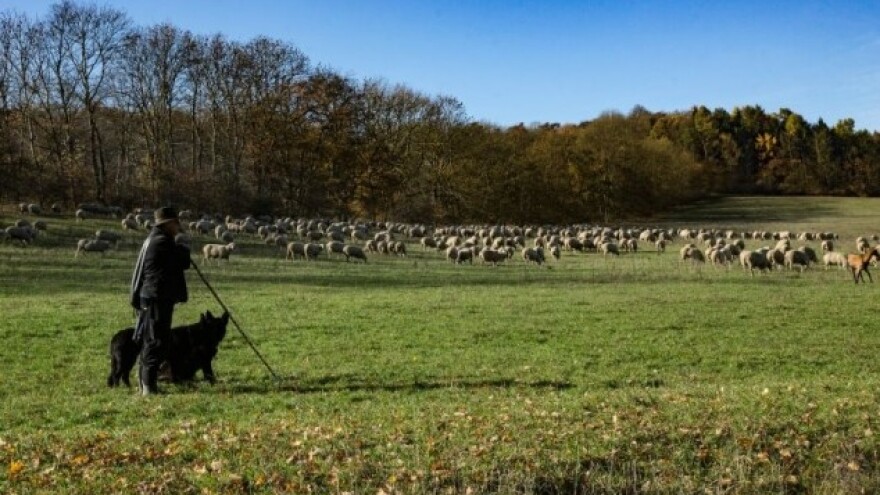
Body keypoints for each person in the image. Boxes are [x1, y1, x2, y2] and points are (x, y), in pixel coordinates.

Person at [129, 207, 192, 395]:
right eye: (176, 223)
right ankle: (148, 386)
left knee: (156, 338)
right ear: (168, 224)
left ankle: (149, 381)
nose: (178, 227)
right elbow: (183, 261)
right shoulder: (162, 242)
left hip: (154, 296)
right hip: (157, 297)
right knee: (155, 340)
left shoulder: (155, 239)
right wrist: (183, 245)